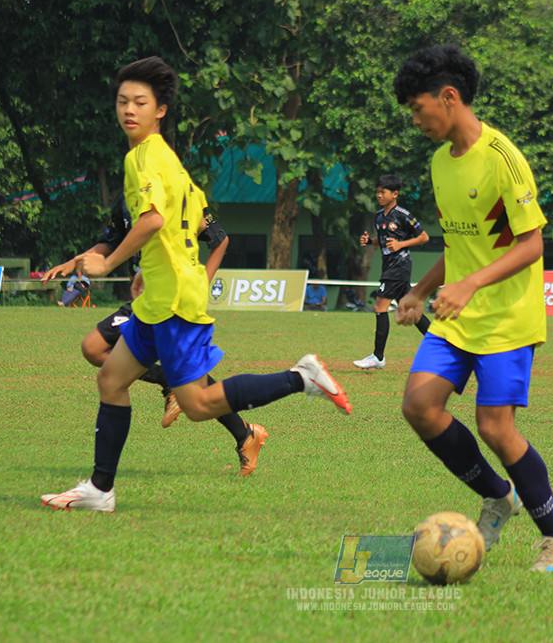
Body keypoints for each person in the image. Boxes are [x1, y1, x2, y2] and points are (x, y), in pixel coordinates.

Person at [41, 56, 350, 512]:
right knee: (110, 378)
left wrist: (109, 266)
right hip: (159, 297)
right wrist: (149, 266)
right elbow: (179, 229)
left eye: (140, 102)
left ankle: (300, 378)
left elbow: (151, 220)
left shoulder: (142, 157)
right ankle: (100, 490)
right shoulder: (171, 162)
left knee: (200, 403)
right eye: (123, 101)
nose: (129, 109)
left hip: (173, 303)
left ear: (160, 109)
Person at [392, 45, 553, 573]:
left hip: (506, 316)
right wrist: (422, 290)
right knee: (419, 406)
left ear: (448, 98)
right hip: (458, 312)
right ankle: (500, 497)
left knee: (495, 427)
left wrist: (472, 285)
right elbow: (459, 243)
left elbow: (531, 245)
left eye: (417, 107)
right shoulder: (439, 162)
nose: (415, 119)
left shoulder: (502, 158)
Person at [44, 194, 267, 476]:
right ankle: (243, 432)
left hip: (172, 298)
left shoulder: (178, 195)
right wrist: (76, 262)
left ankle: (246, 432)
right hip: (147, 299)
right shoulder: (125, 201)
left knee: (185, 381)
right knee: (98, 349)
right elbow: (111, 241)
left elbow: (220, 240)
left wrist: (200, 287)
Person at [352, 174, 431, 370]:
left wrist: (401, 244)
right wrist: (370, 241)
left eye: (383, 192)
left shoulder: (403, 214)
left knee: (380, 307)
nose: (379, 195)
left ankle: (378, 357)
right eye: (377, 192)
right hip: (389, 266)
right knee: (409, 310)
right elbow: (384, 239)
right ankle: (444, 347)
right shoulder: (379, 216)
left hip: (399, 266)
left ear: (395, 194)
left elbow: (424, 237)